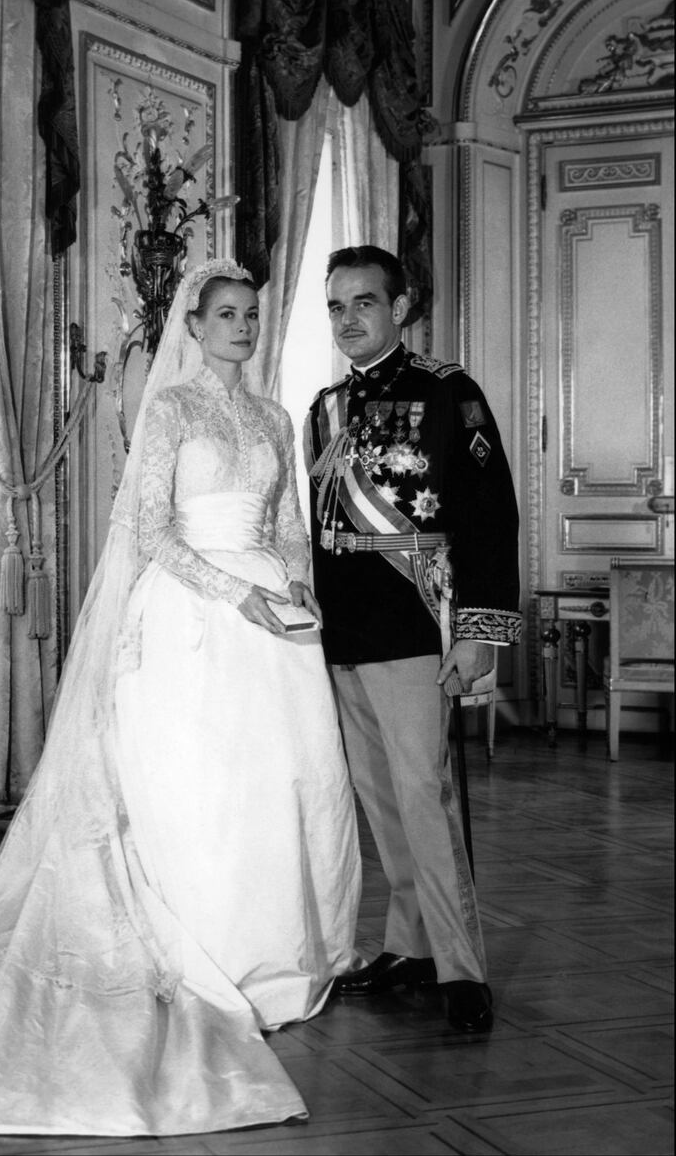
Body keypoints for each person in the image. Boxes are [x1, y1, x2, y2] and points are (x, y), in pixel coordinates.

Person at [0, 260, 361, 1136]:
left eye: (253, 314)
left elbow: (287, 518)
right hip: (194, 609)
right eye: (227, 314)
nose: (243, 326)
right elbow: (148, 528)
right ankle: (198, 949)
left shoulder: (275, 414)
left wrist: (296, 580)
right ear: (196, 324)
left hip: (274, 620)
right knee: (196, 782)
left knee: (277, 782)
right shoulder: (170, 410)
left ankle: (277, 960)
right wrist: (232, 590)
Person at [305, 245, 521, 1034]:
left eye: (364, 302)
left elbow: (491, 518)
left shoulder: (448, 393)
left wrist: (480, 633)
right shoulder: (323, 408)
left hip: (411, 620)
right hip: (342, 626)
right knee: (380, 798)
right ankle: (411, 944)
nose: (348, 319)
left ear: (401, 307)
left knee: (425, 795)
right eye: (336, 306)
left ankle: (462, 966)